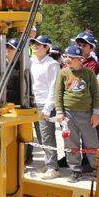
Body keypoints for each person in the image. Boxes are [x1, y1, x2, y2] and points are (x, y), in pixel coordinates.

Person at [54, 45, 99, 183]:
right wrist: (60, 111)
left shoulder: (89, 73)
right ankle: (75, 170)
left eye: (72, 58)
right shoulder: (63, 73)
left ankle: (96, 168)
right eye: (67, 56)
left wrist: (95, 114)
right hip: (68, 114)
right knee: (71, 143)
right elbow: (58, 93)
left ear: (80, 59)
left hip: (86, 113)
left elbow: (95, 94)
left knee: (91, 142)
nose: (68, 59)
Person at [30, 35, 61, 179]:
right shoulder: (32, 62)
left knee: (47, 136)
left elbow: (54, 88)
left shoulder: (52, 64)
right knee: (40, 137)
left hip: (44, 104)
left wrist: (47, 109)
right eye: (34, 43)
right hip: (33, 104)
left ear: (47, 47)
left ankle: (52, 168)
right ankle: (50, 163)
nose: (35, 46)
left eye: (39, 44)